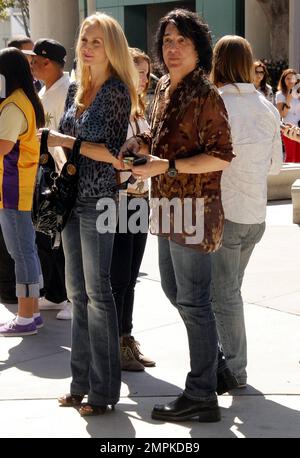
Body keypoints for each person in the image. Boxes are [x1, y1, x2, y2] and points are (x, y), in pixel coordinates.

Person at [120, 9, 234, 422]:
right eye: (167, 41)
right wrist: (140, 150)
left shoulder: (207, 95)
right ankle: (215, 365)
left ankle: (202, 394)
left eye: (181, 41)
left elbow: (221, 158)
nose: (172, 48)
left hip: (195, 211)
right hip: (167, 208)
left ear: (198, 47)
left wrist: (163, 166)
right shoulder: (164, 86)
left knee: (195, 301)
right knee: (175, 291)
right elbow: (161, 142)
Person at [43, 12, 137, 416]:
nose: (87, 46)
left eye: (96, 41)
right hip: (71, 197)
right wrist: (63, 153)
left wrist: (64, 141)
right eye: (84, 39)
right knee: (77, 294)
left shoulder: (116, 91)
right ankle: (79, 384)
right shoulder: (76, 88)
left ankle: (104, 392)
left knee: (99, 294)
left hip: (101, 199)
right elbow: (64, 144)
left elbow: (110, 153)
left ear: (111, 46)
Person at [210, 36, 282, 388]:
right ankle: (226, 361)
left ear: (217, 63)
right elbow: (276, 166)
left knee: (222, 295)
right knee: (228, 293)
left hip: (227, 214)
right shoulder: (267, 106)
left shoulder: (217, 103)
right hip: (256, 215)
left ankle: (234, 369)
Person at [110, 48, 155, 372]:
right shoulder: (114, 106)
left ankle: (126, 338)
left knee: (130, 278)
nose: (144, 78)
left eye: (147, 73)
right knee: (118, 277)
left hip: (140, 197)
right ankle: (114, 343)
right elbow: (113, 156)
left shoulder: (140, 109)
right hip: (117, 199)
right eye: (138, 71)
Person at [0, 47, 45, 336]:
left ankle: (26, 316)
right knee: (26, 250)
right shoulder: (22, 100)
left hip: (13, 188)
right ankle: (33, 312)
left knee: (21, 253)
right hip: (20, 186)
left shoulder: (14, 106)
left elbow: (2, 147)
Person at [30, 39, 71, 320]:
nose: (31, 65)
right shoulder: (46, 89)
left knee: (62, 239)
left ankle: (70, 297)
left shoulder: (68, 90)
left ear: (47, 62)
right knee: (46, 237)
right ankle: (56, 294)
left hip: (63, 174)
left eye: (34, 60)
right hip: (46, 173)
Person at [276, 68, 300, 162]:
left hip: (299, 128)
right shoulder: (280, 95)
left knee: (299, 157)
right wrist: (288, 100)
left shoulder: (299, 94)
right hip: (288, 129)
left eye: (292, 78)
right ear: (283, 80)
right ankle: (287, 177)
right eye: (287, 78)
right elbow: (282, 114)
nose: (290, 81)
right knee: (290, 156)